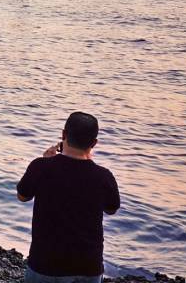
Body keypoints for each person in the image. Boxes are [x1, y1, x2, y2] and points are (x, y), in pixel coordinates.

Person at [17, 112, 121, 283]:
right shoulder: (103, 176)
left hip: (44, 264)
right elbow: (111, 209)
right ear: (94, 143)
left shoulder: (41, 167)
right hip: (87, 267)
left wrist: (45, 161)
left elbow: (22, 196)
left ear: (63, 135)